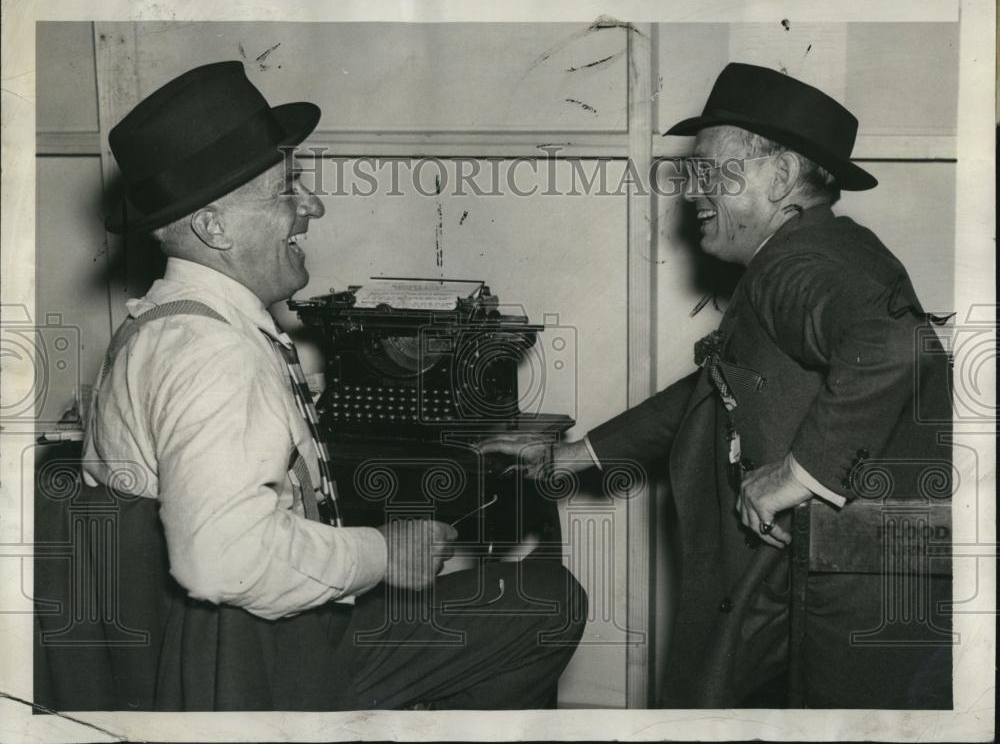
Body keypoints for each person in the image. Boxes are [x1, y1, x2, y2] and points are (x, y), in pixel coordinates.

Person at [34, 61, 585, 712]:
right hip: (250, 669)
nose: (312, 205)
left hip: (189, 650)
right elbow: (220, 556)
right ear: (214, 227)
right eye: (286, 188)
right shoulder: (217, 351)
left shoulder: (158, 321)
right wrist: (385, 553)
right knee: (553, 598)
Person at [482, 63, 952, 709]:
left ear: (781, 177)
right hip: (801, 580)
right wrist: (574, 455)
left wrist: (800, 472)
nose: (691, 192)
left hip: (838, 597)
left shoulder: (801, 263)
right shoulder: (806, 255)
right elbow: (715, 387)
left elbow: (896, 344)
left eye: (711, 172)